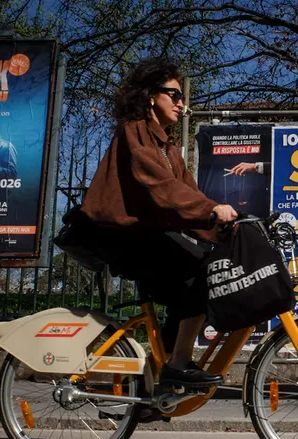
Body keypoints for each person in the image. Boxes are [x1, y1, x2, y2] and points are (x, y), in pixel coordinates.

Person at [79, 57, 237, 390]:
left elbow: (187, 196)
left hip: (146, 237)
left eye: (183, 98)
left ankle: (161, 383)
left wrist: (221, 224)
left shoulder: (169, 148)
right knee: (199, 273)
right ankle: (177, 365)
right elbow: (160, 188)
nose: (182, 103)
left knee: (200, 280)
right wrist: (212, 209)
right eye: (174, 95)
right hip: (123, 237)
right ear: (152, 95)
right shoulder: (135, 132)